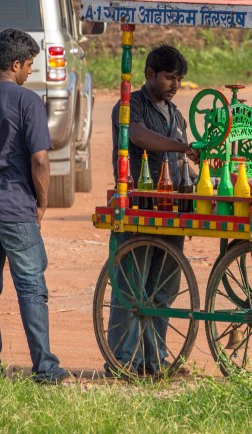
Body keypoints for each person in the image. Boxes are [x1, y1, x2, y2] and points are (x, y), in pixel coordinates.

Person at [0, 28, 72, 384]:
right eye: (29, 66)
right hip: (16, 208)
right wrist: (43, 201)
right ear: (15, 63)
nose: (30, 73)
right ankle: (45, 368)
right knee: (31, 287)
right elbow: (39, 160)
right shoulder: (27, 101)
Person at [109, 44, 199, 375]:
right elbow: (139, 136)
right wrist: (182, 147)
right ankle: (122, 360)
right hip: (140, 209)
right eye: (169, 78)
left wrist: (206, 176)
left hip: (171, 211)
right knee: (132, 286)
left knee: (163, 289)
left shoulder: (176, 116)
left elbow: (183, 167)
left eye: (179, 79)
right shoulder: (129, 106)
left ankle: (154, 359)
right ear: (149, 75)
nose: (175, 85)